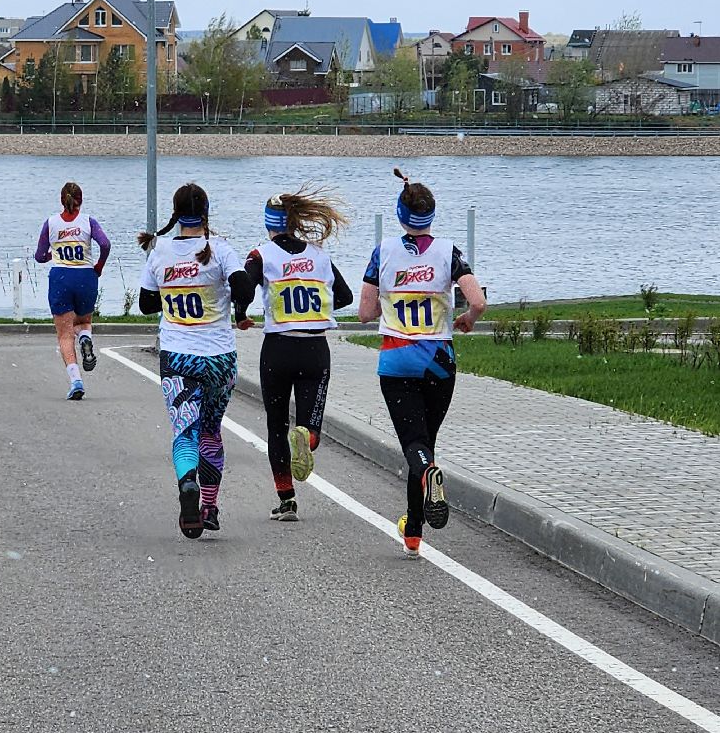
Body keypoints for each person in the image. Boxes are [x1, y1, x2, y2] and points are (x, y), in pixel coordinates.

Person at [357, 170, 486, 558]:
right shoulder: (449, 252)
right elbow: (477, 301)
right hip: (439, 361)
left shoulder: (383, 252)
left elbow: (363, 313)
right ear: (431, 216)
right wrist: (467, 319)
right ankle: (413, 531)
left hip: (398, 360)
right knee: (425, 442)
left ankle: (424, 491)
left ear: (400, 215)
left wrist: (386, 297)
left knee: (415, 446)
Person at [138, 183, 254, 539]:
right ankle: (209, 506)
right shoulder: (219, 250)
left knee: (184, 431)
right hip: (219, 357)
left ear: (175, 213)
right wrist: (239, 308)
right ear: (206, 212)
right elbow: (245, 285)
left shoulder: (159, 253)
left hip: (178, 356)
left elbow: (145, 304)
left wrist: (174, 296)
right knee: (211, 430)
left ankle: (187, 480)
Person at [243, 189, 353, 522]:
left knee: (276, 426)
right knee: (308, 422)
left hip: (277, 348)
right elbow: (345, 296)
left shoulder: (261, 255)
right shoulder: (320, 255)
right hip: (315, 349)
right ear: (295, 221)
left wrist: (240, 313)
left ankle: (287, 499)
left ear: (268, 225)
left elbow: (244, 288)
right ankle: (308, 437)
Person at [34, 181, 111, 400]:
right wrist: (99, 265)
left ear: (61, 200)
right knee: (83, 321)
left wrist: (51, 254)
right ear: (81, 200)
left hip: (61, 277)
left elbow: (40, 256)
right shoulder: (88, 221)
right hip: (86, 275)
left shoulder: (51, 223)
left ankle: (76, 379)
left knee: (65, 333)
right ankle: (85, 337)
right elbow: (105, 244)